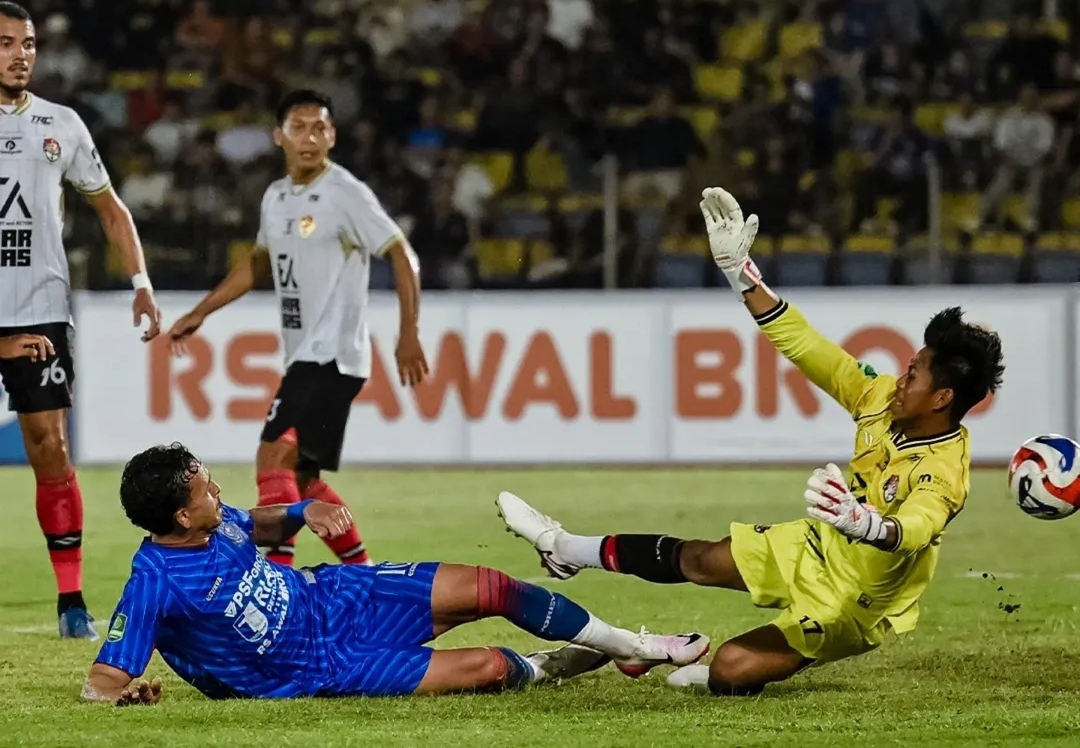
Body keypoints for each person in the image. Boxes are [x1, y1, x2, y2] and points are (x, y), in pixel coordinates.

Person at [496, 187, 1005, 697]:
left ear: (941, 398)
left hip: (854, 601)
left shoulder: (945, 470)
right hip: (818, 545)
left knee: (730, 671)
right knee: (700, 558)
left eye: (912, 376)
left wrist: (865, 523)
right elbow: (808, 346)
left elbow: (916, 528)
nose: (899, 379)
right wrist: (741, 272)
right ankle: (563, 548)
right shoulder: (876, 396)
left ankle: (782, 657)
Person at [79, 443, 709, 705]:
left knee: (492, 587)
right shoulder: (154, 580)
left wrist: (304, 509)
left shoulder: (215, 521)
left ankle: (635, 646)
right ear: (182, 514)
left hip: (336, 596)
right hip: (318, 669)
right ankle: (547, 665)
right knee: (491, 666)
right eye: (204, 485)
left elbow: (262, 526)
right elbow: (101, 680)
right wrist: (124, 693)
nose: (216, 486)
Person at [167, 89, 429, 569]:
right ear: (278, 136)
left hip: (331, 356)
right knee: (304, 481)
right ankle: (364, 577)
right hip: (308, 354)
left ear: (332, 136)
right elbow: (257, 264)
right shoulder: (276, 197)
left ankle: (277, 583)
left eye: (320, 128)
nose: (310, 138)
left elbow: (400, 252)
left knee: (272, 457)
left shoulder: (344, 192)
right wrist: (203, 311)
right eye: (299, 127)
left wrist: (408, 331)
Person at [0, 2, 161, 641]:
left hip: (40, 308)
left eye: (28, 43)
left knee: (51, 447)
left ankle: (71, 601)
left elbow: (110, 210)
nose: (20, 54)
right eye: (7, 42)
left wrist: (142, 285)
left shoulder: (59, 125)